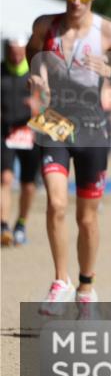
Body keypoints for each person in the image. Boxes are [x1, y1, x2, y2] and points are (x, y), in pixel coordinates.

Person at [26, 0, 111, 316]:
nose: (76, 1)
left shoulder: (108, 32)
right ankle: (60, 281)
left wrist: (108, 71)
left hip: (93, 127)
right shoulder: (45, 24)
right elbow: (33, 54)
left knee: (86, 219)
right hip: (54, 122)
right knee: (56, 204)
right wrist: (38, 74)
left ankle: (86, 286)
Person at [1, 35, 42, 246]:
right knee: (5, 178)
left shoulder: (35, 73)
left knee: (28, 184)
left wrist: (38, 104)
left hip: (30, 135)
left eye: (20, 52)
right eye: (12, 52)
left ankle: (21, 223)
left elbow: (51, 100)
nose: (16, 56)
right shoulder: (1, 70)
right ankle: (3, 226)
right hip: (5, 133)